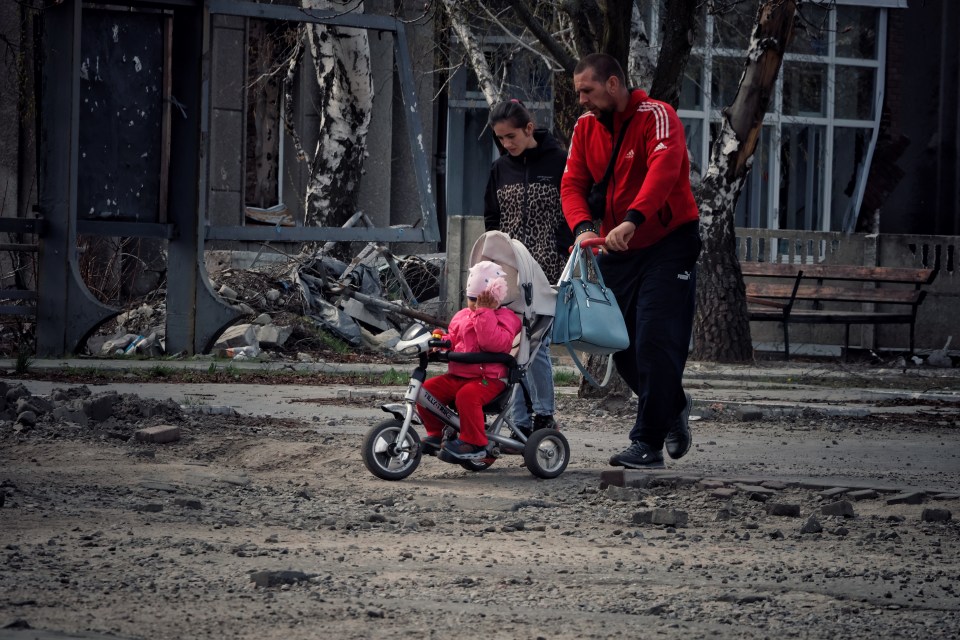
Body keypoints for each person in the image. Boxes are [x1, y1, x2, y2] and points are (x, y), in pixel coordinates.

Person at [559, 53, 700, 469]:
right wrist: (583, 228)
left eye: (587, 90)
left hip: (668, 241)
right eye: (578, 91)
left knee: (656, 339)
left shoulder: (659, 115)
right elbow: (572, 184)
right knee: (616, 342)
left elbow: (665, 169)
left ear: (614, 84)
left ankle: (648, 442)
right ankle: (672, 403)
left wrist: (634, 219)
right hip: (616, 246)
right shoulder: (585, 128)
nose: (581, 100)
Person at [483, 99, 567, 437]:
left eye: (511, 136)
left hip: (549, 271)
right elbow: (491, 219)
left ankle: (544, 416)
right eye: (500, 138)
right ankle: (519, 421)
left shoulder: (560, 162)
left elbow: (576, 207)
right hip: (510, 273)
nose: (506, 144)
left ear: (529, 129)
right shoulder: (500, 169)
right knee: (512, 345)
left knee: (536, 346)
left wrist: (566, 250)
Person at [418, 260, 522, 461]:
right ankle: (436, 434)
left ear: (496, 296)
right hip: (459, 375)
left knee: (467, 396)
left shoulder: (506, 318)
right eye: (471, 299)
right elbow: (453, 339)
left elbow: (495, 344)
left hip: (489, 379)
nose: (474, 305)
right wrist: (439, 344)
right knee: (426, 391)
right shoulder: (461, 316)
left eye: (480, 300)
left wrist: (485, 312)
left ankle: (475, 443)